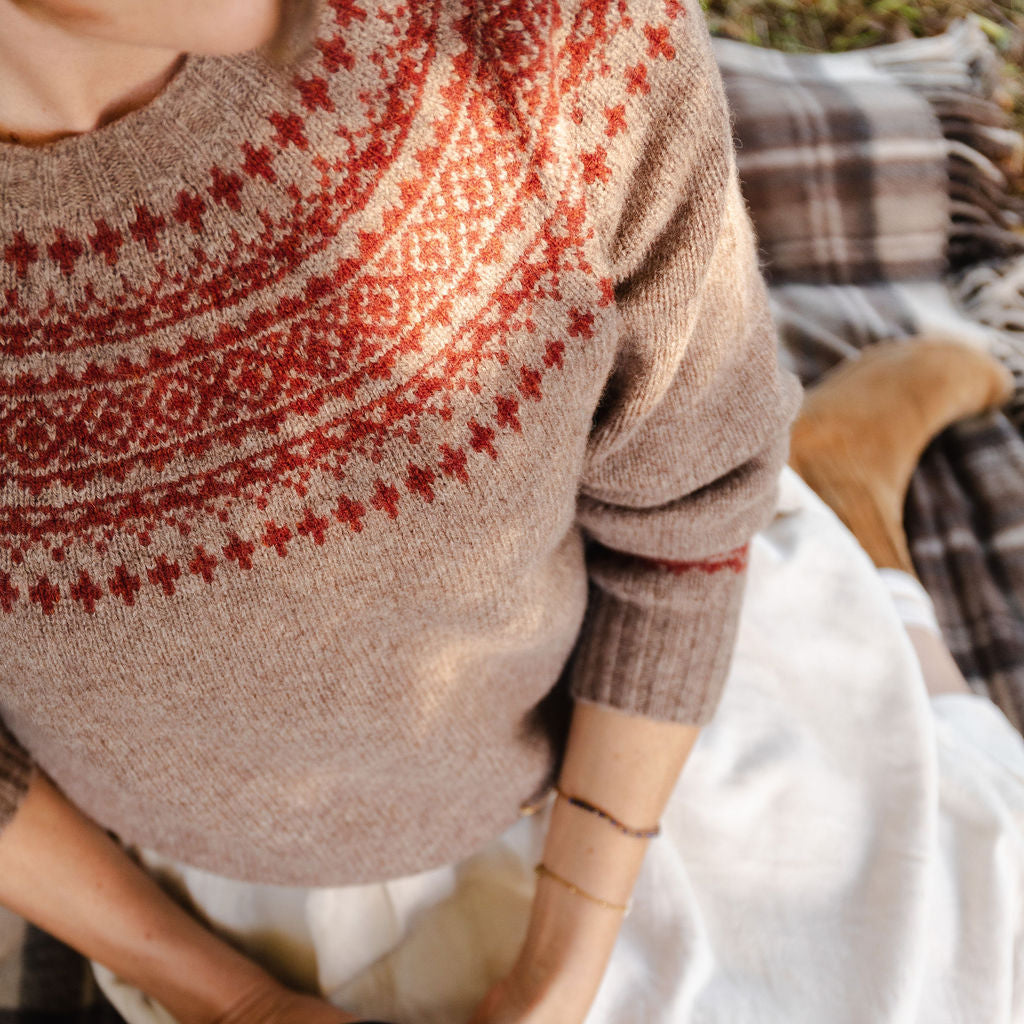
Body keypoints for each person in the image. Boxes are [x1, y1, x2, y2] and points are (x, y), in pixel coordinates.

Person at [0, 1, 800, 1022]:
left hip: (606, 778)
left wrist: (563, 962)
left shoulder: (548, 30)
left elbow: (691, 525)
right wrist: (232, 997)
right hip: (170, 895)